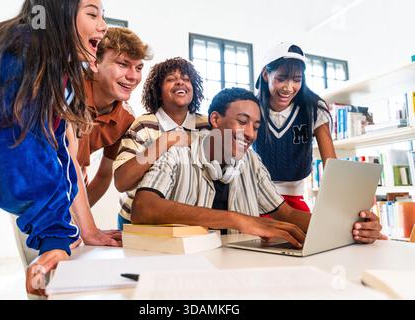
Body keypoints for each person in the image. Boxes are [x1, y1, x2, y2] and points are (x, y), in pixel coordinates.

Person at [0, 0, 106, 296]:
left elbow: (56, 152)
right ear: (58, 12)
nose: (103, 26)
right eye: (92, 13)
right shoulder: (22, 54)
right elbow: (24, 155)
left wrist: (64, 231)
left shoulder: (49, 66)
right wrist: (54, 235)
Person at [131, 88, 385, 247]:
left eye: (256, 126)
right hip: (179, 270)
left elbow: (285, 214)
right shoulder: (177, 153)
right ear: (215, 119)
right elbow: (143, 209)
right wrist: (236, 219)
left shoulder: (251, 161)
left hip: (236, 268)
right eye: (242, 122)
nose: (251, 133)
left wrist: (350, 227)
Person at [74, 28, 152, 243]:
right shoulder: (69, 92)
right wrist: (85, 227)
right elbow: (64, 165)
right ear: (95, 63)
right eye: (122, 64)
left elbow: (104, 175)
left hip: (72, 189)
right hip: (34, 189)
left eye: (138, 67)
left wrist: (79, 219)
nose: (133, 76)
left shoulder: (126, 119)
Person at [113, 57, 209, 229]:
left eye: (186, 79)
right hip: (139, 220)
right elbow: (122, 182)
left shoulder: (207, 125)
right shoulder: (143, 125)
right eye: (171, 79)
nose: (180, 82)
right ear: (158, 91)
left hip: (189, 221)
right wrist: (165, 141)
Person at [254, 42, 336, 212]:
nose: (289, 87)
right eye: (281, 78)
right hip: (256, 196)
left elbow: (332, 165)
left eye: (296, 80)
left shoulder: (313, 107)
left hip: (294, 198)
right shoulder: (251, 106)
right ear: (265, 74)